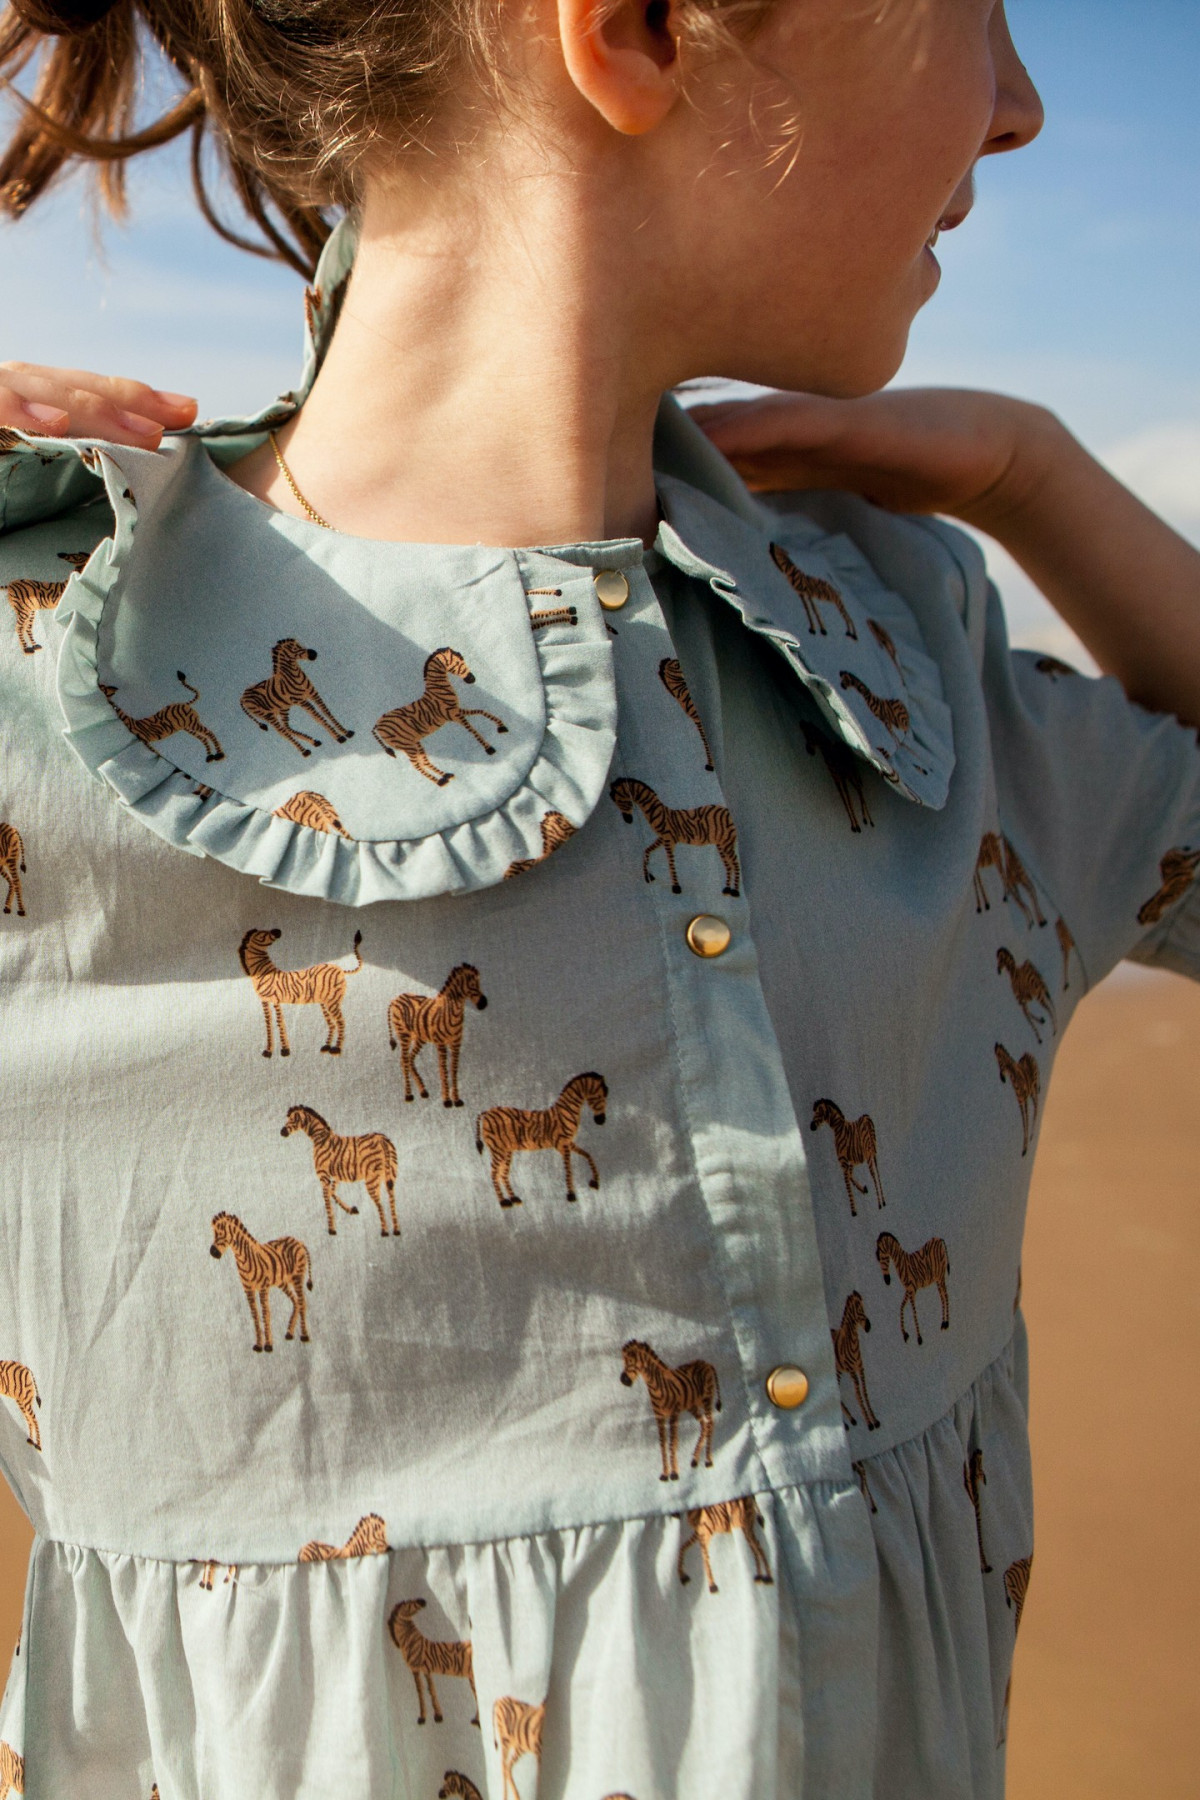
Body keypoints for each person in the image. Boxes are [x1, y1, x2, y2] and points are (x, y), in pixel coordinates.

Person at [0, 2, 1197, 1797]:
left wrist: (1041, 477)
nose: (1021, 105)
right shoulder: (47, 698)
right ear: (633, 32)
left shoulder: (911, 667)